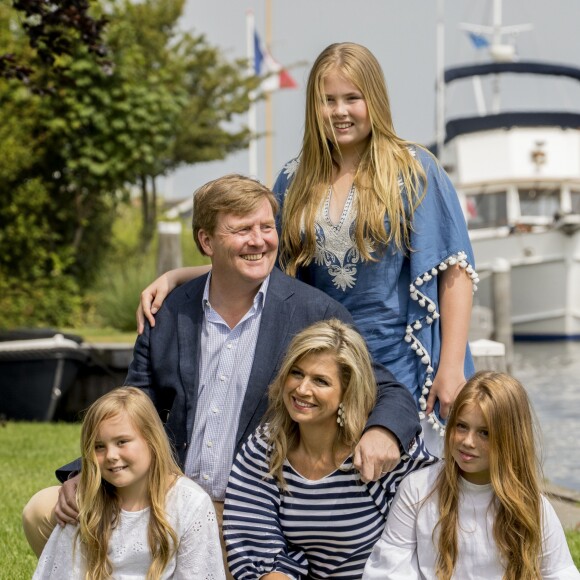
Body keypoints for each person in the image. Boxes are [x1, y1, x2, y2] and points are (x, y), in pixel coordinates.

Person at [23, 175, 420, 573]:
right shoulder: (168, 312)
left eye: (266, 227)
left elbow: (385, 388)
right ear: (207, 241)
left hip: (248, 516)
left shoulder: (312, 313)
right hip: (165, 496)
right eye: (242, 229)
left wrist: (382, 430)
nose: (259, 240)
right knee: (43, 510)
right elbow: (131, 404)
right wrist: (84, 472)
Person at [137, 43, 478, 449]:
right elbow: (262, 262)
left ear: (376, 100)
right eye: (327, 100)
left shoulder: (415, 171)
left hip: (400, 359)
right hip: (323, 362)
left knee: (400, 481)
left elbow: (453, 270)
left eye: (352, 98)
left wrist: (451, 368)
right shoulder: (294, 179)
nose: (340, 111)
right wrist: (178, 277)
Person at [223, 319, 436, 579]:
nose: (302, 389)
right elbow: (255, 540)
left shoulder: (380, 451)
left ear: (347, 391)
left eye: (320, 381)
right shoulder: (266, 446)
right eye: (297, 373)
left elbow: (428, 540)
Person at [362, 371, 580, 580]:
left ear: (511, 439)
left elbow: (560, 573)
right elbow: (388, 569)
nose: (468, 441)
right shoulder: (417, 489)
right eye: (461, 426)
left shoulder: (533, 507)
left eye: (484, 433)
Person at [34, 387, 224, 579]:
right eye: (99, 446)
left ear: (152, 440)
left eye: (122, 442)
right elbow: (67, 572)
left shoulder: (190, 504)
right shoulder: (86, 501)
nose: (111, 456)